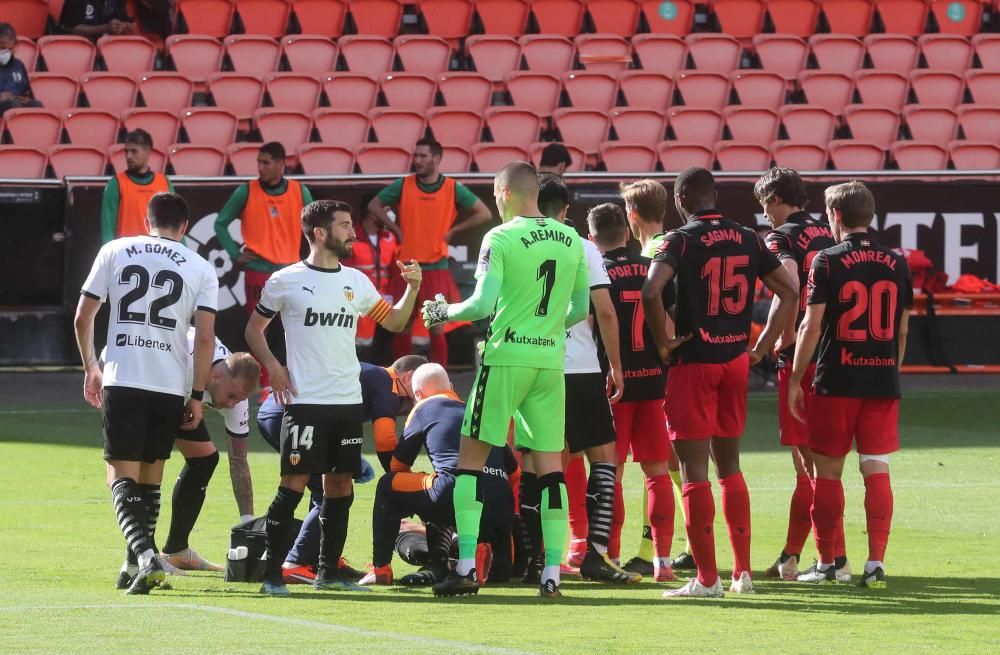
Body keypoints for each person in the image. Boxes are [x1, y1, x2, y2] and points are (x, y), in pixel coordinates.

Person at [422, 161, 590, 598]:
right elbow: (581, 308)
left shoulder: (499, 236)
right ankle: (552, 573)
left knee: (470, 463)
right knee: (552, 469)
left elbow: (479, 305)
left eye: (496, 196)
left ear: (505, 192)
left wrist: (443, 312)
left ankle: (464, 569)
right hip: (549, 364)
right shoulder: (572, 238)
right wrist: (548, 328)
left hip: (504, 359)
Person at [246, 199, 423, 596]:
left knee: (339, 486)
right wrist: (273, 367)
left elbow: (393, 321)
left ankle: (327, 571)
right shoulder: (285, 280)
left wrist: (412, 289)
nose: (353, 232)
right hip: (305, 401)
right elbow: (254, 330)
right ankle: (273, 575)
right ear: (320, 232)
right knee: (292, 485)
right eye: (344, 225)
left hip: (346, 402)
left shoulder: (356, 282)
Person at [642, 167, 798, 598]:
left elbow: (651, 292)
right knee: (730, 466)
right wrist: (763, 345)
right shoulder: (749, 235)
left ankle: (707, 579)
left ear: (681, 201)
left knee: (695, 470)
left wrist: (663, 343)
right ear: (715, 196)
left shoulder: (680, 240)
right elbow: (789, 291)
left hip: (694, 362)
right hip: (734, 362)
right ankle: (742, 574)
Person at [74, 192, 219, 595]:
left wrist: (91, 367)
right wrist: (196, 394)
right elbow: (204, 338)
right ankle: (131, 565)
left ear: (146, 220)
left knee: (119, 477)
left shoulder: (115, 249)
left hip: (125, 376)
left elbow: (84, 316)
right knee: (150, 478)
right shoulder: (201, 266)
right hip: (170, 384)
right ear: (185, 227)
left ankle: (143, 556)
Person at [788, 181, 911, 588]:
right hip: (881, 377)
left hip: (836, 379)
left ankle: (826, 563)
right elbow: (902, 329)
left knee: (827, 473)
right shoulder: (897, 262)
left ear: (836, 215)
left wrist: (793, 379)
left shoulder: (827, 260)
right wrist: (889, 368)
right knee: (876, 469)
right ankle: (876, 562)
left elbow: (811, 324)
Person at [518, 174, 634, 585]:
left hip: (532, 366)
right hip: (581, 368)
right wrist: (616, 366)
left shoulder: (513, 242)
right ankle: (596, 555)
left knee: (536, 464)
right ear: (567, 210)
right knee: (603, 457)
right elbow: (603, 309)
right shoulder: (583, 247)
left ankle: (534, 559)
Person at [752, 167, 849, 583]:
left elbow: (788, 288)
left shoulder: (782, 237)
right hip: (833, 353)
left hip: (799, 357)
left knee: (808, 466)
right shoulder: (828, 236)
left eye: (764, 206)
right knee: (820, 465)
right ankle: (794, 556)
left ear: (774, 198)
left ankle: (833, 560)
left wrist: (765, 343)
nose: (764, 216)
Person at [107, 330, 260, 587]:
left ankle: (176, 550)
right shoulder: (184, 364)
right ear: (216, 375)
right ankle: (147, 555)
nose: (233, 405)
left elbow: (239, 460)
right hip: (146, 383)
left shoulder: (234, 396)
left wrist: (248, 523)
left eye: (240, 400)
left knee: (205, 459)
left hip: (185, 401)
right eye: (232, 396)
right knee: (147, 471)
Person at [255, 355, 427, 583]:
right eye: (420, 393)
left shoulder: (374, 376)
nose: (417, 402)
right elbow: (385, 440)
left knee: (323, 485)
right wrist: (400, 482)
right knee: (328, 493)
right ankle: (296, 562)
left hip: (285, 414)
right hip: (287, 416)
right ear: (409, 377)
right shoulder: (385, 381)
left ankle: (318, 557)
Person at [360, 363, 520, 586]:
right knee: (501, 573)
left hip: (455, 498)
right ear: (451, 386)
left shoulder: (423, 407)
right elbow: (514, 472)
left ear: (417, 394)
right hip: (501, 507)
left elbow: (398, 465)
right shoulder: (476, 411)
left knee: (391, 484)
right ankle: (495, 560)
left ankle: (382, 569)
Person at [587, 202, 678, 583]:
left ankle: (609, 554)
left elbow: (591, 323)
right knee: (657, 473)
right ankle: (662, 561)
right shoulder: (654, 268)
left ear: (592, 239)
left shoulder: (596, 272)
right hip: (656, 383)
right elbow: (671, 326)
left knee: (612, 471)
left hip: (614, 385)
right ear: (626, 232)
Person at [617, 178, 690, 576]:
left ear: (631, 214)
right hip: (668, 372)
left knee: (661, 466)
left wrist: (665, 345)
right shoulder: (673, 244)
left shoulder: (654, 252)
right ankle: (686, 543)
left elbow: (665, 313)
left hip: (655, 374)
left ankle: (650, 551)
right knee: (670, 464)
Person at [367, 137, 492, 366]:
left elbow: (484, 213)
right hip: (407, 264)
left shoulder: (452, 187)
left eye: (423, 156)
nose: (417, 160)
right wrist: (395, 228)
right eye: (416, 156)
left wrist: (454, 230)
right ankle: (400, 375)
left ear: (437, 158)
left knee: (436, 324)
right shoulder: (403, 185)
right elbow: (374, 204)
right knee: (402, 324)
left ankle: (438, 374)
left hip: (436, 265)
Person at [215, 142, 313, 390]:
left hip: (292, 271)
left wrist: (313, 260)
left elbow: (315, 225)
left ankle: (297, 377)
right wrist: (235, 253)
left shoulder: (300, 191)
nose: (260, 167)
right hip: (258, 270)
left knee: (296, 326)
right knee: (260, 328)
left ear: (281, 164)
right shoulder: (246, 191)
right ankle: (266, 384)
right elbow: (220, 223)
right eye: (258, 161)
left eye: (266, 162)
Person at [342, 209, 400, 363]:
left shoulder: (390, 237)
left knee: (385, 344)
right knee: (362, 344)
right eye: (387, 211)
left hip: (385, 298)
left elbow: (395, 270)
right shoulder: (352, 238)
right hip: (360, 299)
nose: (391, 216)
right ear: (373, 213)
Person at [102, 129, 173, 243]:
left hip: (158, 255)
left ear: (147, 151)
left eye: (134, 151)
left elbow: (174, 224)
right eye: (126, 151)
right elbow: (107, 230)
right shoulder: (116, 184)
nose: (128, 156)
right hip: (127, 256)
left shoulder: (164, 182)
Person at [0, 23, 41, 116]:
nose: (4, 52)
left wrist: (26, 98)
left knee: (36, 105)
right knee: (13, 105)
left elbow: (26, 91)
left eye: (8, 48)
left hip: (17, 103)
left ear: (15, 46)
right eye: (1, 48)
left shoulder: (19, 65)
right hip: (4, 106)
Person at [59, 0, 135, 39]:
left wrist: (125, 27)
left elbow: (122, 19)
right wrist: (105, 28)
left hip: (107, 47)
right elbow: (73, 29)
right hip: (76, 48)